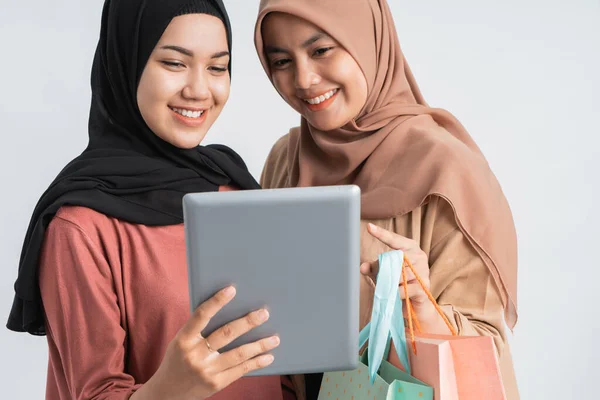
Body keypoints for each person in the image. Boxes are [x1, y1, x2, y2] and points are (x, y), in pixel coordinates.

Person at [7, 0, 295, 399]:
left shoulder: (234, 185)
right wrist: (170, 387)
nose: (198, 90)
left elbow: (281, 362)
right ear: (127, 62)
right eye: (175, 63)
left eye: (217, 67)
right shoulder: (81, 227)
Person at [254, 0, 519, 399]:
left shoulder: (444, 169)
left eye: (321, 50)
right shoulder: (284, 160)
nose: (304, 79)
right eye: (281, 61)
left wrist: (421, 307)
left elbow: (486, 350)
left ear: (367, 40)